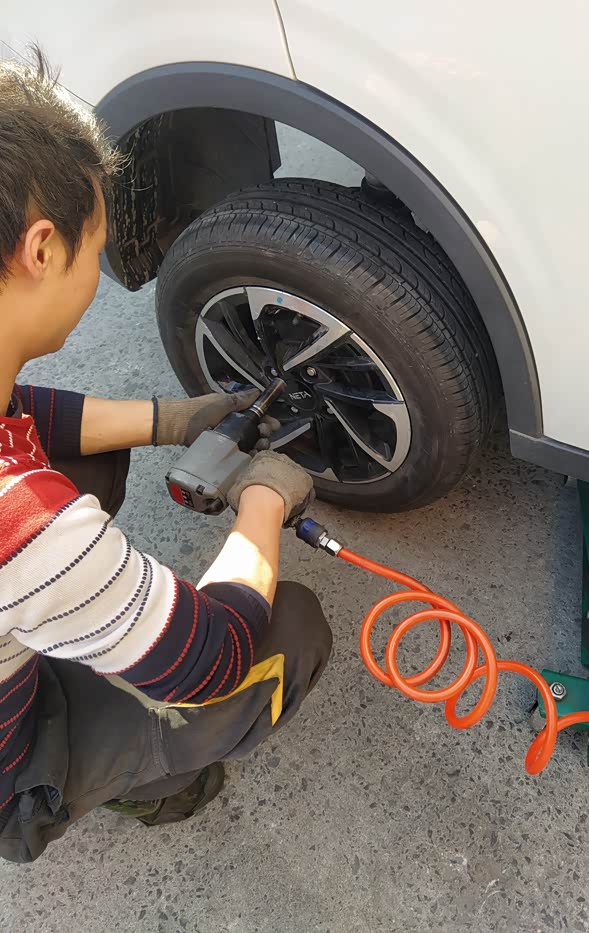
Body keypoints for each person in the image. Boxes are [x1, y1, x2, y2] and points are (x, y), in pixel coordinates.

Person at [0, 51, 332, 864]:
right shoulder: (23, 525)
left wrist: (169, 420)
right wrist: (264, 501)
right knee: (287, 629)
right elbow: (211, 655)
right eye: (96, 248)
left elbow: (21, 409)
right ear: (41, 248)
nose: (98, 270)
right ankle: (61, 793)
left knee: (92, 460)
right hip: (8, 754)